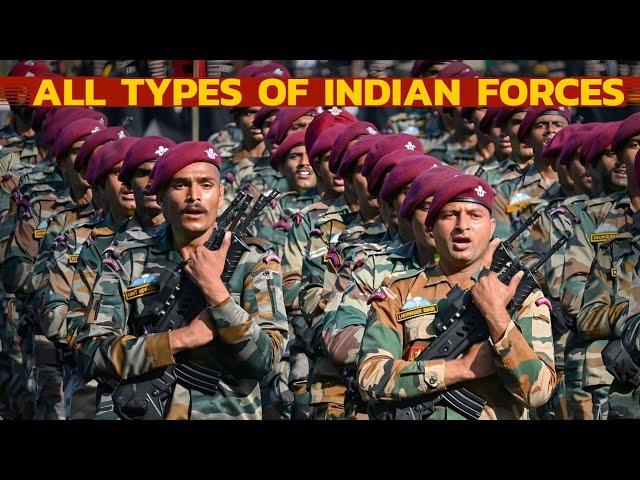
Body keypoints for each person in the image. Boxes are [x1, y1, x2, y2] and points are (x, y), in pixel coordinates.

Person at [73, 141, 288, 419]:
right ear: (160, 197)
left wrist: (217, 294)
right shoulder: (127, 257)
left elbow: (266, 360)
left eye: (206, 185)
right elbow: (90, 352)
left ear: (221, 194)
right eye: (180, 185)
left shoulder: (254, 261)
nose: (194, 196)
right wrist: (179, 339)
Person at [358, 174, 556, 419]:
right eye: (449, 215)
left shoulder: (519, 293)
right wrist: (460, 368)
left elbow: (538, 393)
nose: (462, 225)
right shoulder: (398, 291)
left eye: (475, 215)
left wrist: (497, 316)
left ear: (492, 227)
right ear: (430, 227)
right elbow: (369, 377)